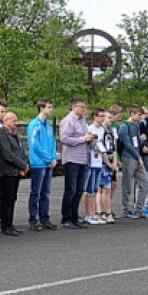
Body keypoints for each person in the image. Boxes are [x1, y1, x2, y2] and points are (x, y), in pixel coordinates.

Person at [0, 110, 29, 235]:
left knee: (12, 198)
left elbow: (20, 151)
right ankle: (5, 225)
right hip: (6, 172)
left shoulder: (14, 135)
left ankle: (10, 223)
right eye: (13, 120)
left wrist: (24, 164)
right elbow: (8, 155)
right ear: (6, 121)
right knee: (6, 199)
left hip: (15, 171)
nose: (16, 123)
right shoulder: (2, 135)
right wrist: (22, 165)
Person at [59, 98, 92, 229]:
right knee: (71, 189)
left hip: (83, 158)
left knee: (79, 189)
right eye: (81, 107)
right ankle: (66, 218)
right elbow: (64, 138)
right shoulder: (68, 121)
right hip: (72, 158)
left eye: (84, 107)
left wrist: (89, 139)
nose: (84, 109)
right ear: (74, 107)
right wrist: (82, 139)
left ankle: (74, 216)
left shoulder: (82, 121)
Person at [25, 98, 58, 230]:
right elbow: (35, 145)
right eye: (48, 107)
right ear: (41, 108)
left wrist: (54, 157)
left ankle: (45, 218)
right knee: (36, 192)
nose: (51, 109)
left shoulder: (48, 125)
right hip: (38, 163)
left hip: (48, 163)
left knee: (46, 192)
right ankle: (33, 219)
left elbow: (53, 142)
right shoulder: (34, 125)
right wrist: (48, 158)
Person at [118, 105, 148, 219]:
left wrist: (143, 146)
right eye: (138, 114)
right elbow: (127, 144)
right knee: (127, 185)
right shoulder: (124, 127)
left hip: (137, 157)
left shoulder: (136, 126)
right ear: (132, 113)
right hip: (128, 157)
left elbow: (137, 141)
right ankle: (125, 209)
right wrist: (138, 157)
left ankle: (139, 209)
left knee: (146, 183)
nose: (140, 117)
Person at [83, 107, 108, 225]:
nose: (102, 118)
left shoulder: (102, 129)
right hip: (91, 161)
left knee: (95, 188)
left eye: (103, 116)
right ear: (95, 117)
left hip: (99, 161)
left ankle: (94, 214)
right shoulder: (90, 128)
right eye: (100, 116)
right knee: (90, 189)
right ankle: (89, 214)